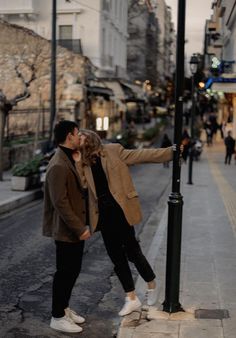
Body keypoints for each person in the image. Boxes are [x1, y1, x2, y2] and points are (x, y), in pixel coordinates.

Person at [73, 129, 175, 317]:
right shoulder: (83, 162)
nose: (78, 139)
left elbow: (141, 155)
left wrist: (170, 152)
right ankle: (131, 298)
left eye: (81, 136)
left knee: (132, 251)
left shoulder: (113, 150)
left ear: (90, 137)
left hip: (120, 210)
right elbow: (83, 186)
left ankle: (152, 284)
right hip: (102, 216)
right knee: (116, 258)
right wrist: (79, 162)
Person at [42, 120, 91, 333]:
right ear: (69, 136)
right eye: (77, 133)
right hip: (66, 230)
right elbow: (59, 202)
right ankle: (57, 316)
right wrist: (79, 228)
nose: (80, 136)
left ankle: (63, 308)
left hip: (74, 228)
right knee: (65, 272)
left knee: (73, 270)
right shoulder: (59, 164)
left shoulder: (70, 158)